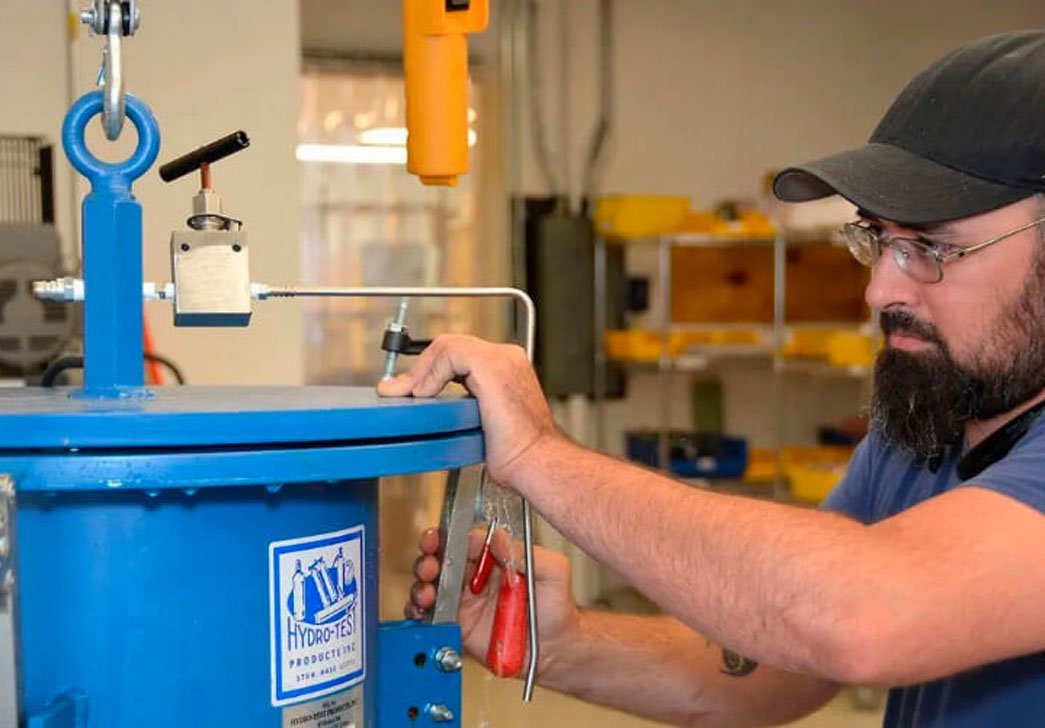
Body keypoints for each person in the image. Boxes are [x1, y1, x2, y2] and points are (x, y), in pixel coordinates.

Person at [379, 31, 1045, 727]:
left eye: (933, 247)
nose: (879, 290)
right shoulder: (926, 428)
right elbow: (768, 669)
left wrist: (539, 456)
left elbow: (855, 616)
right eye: (877, 239)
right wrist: (559, 640)